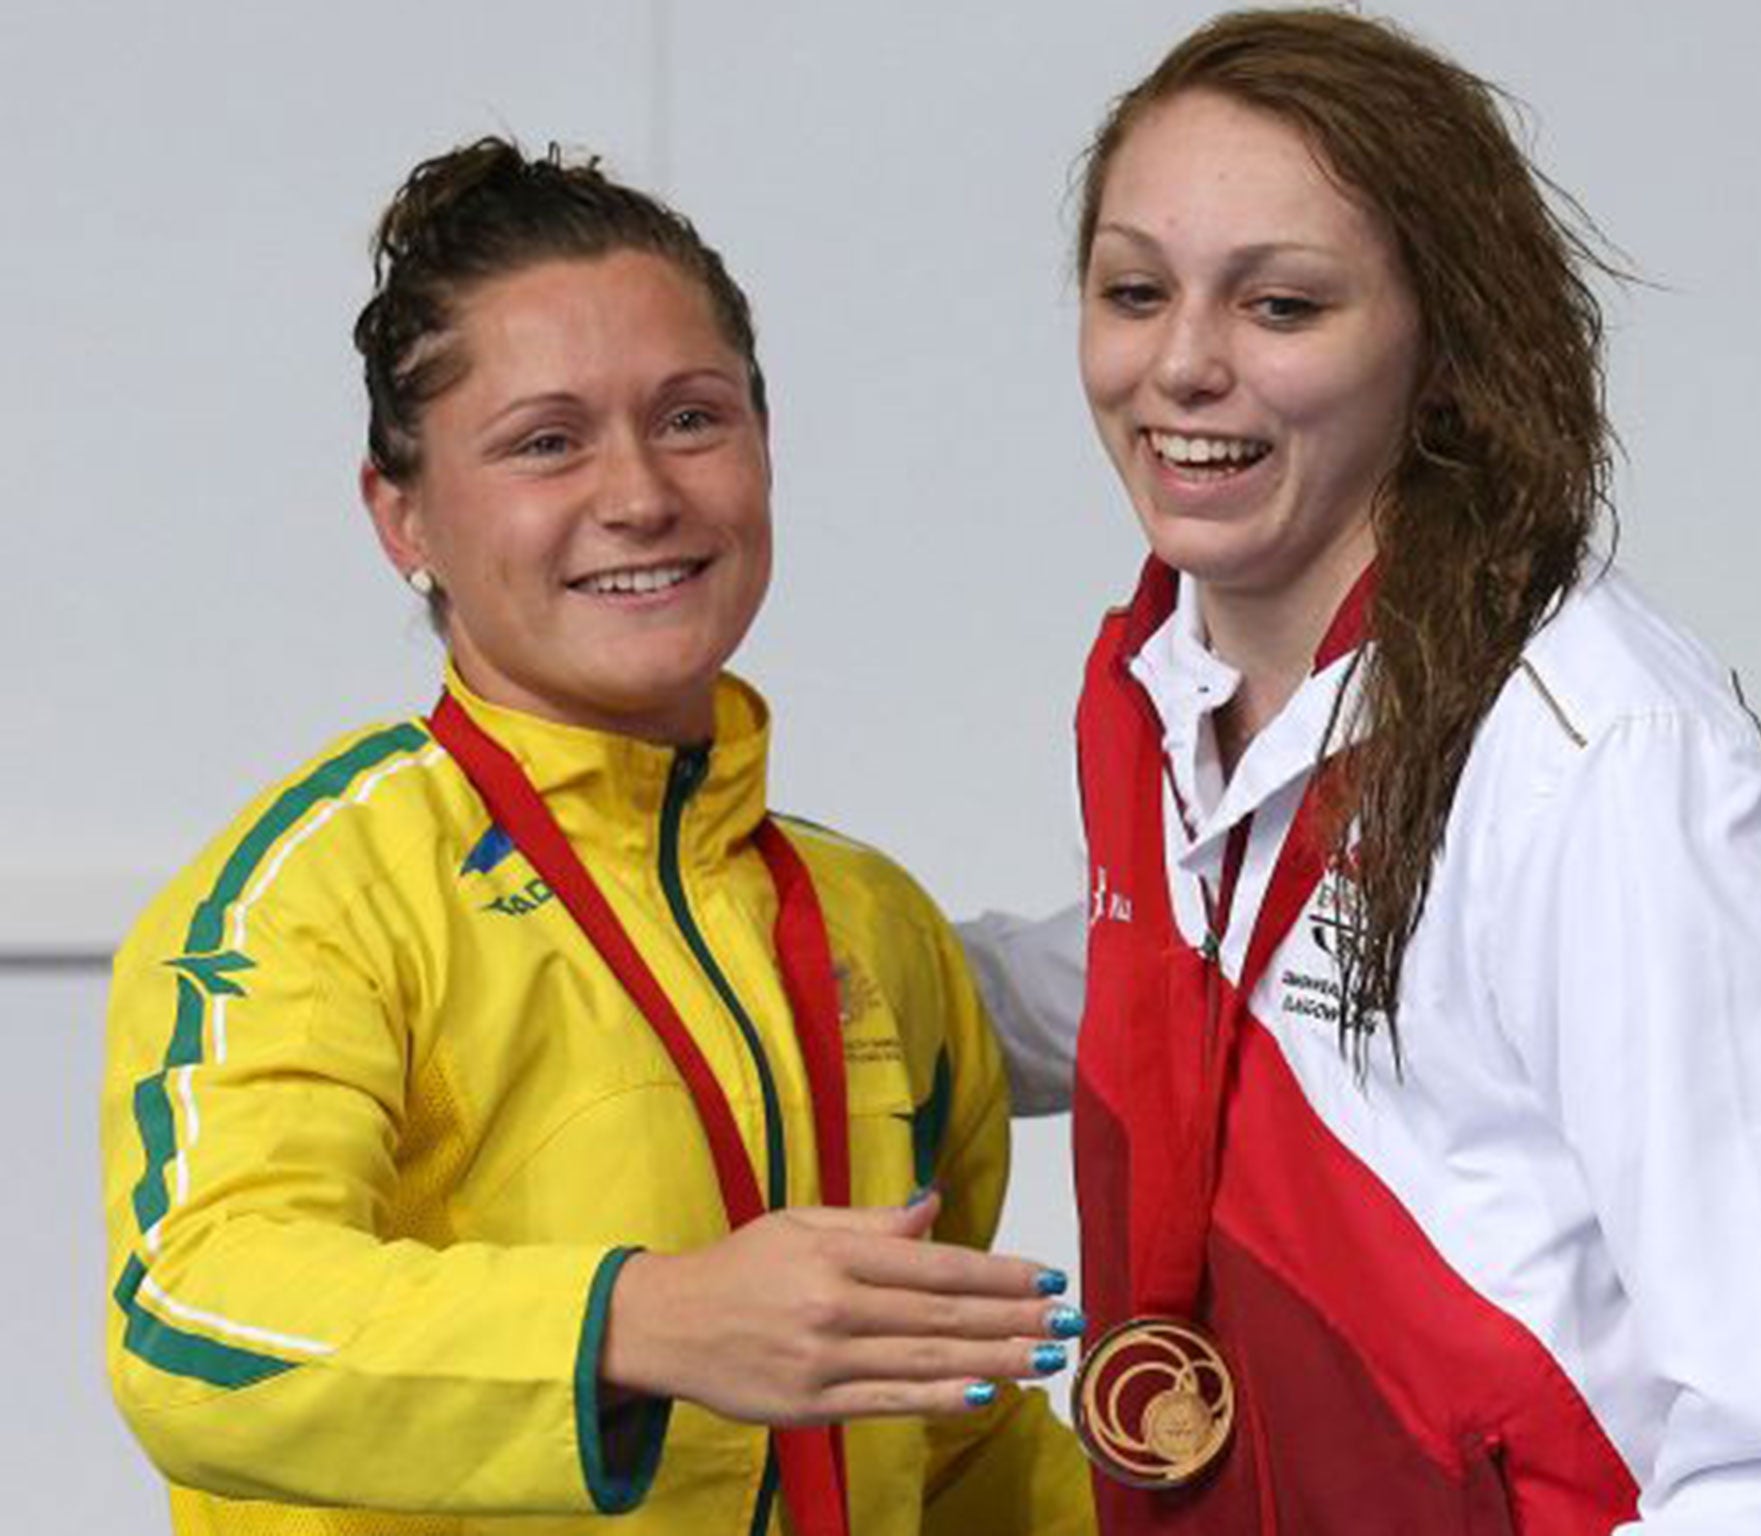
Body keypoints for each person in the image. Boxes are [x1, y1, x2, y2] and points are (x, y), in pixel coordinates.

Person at [960, 10, 1761, 1533]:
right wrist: (847, 968)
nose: (1181, 364)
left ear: (1440, 342)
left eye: (1282, 305)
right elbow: (1187, 985)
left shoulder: (1600, 762)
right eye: (1134, 290)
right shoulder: (1167, 682)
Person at [100, 139, 1094, 1536]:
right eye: (546, 441)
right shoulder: (316, 895)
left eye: (692, 419)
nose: (639, 494)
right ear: (403, 517)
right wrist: (641, 1321)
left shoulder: (877, 925)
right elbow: (195, 1330)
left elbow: (941, 1439)